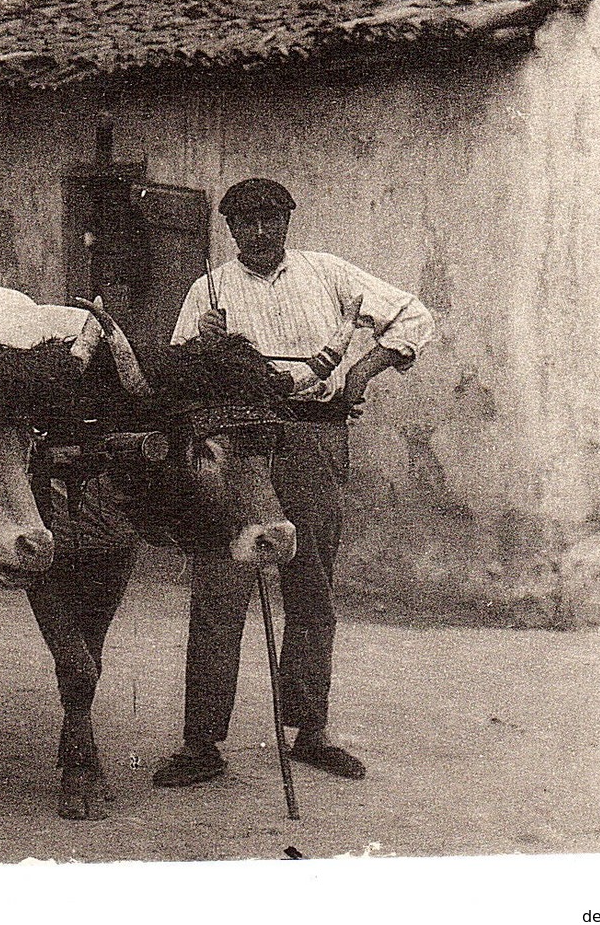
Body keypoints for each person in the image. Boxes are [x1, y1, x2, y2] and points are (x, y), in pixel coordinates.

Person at [152, 177, 435, 787]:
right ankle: (202, 744)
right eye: (245, 222)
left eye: (270, 219)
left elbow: (413, 315)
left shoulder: (327, 273)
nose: (258, 231)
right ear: (229, 231)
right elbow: (178, 372)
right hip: (238, 446)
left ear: (287, 222)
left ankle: (311, 732)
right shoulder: (209, 290)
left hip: (313, 438)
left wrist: (361, 374)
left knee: (311, 584)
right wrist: (207, 348)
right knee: (221, 585)